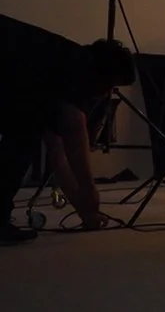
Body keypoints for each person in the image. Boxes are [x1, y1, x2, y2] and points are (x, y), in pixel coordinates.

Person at [0, 14, 135, 245]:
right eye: (111, 85)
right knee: (22, 140)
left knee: (24, 132)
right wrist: (89, 191)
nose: (107, 93)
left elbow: (57, 150)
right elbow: (74, 129)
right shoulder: (78, 69)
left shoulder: (52, 74)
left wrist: (85, 210)